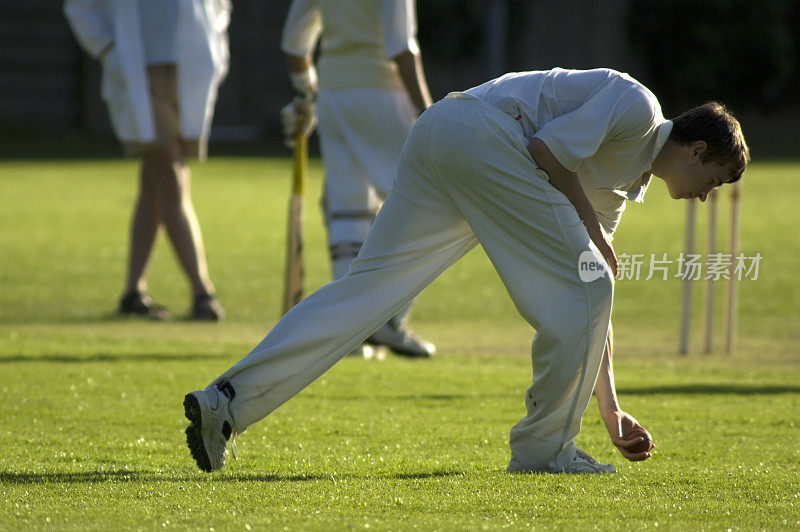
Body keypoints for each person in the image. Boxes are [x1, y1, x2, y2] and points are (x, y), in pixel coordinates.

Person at [183, 68, 749, 474]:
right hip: (483, 135)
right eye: (715, 181)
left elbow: (589, 303)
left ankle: (225, 403)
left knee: (366, 293)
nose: (705, 198)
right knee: (589, 281)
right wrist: (594, 234)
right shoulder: (637, 106)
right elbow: (547, 151)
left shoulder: (624, 187)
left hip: (442, 133)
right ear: (697, 150)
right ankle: (543, 452)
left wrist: (609, 406)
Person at [280, 0, 435, 357]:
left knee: (349, 209)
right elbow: (400, 47)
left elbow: (294, 43)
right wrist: (428, 111)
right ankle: (390, 319)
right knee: (426, 202)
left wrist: (306, 94)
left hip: (332, 96)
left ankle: (349, 331)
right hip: (381, 92)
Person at [64, 0, 229, 321]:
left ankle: (132, 292)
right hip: (137, 69)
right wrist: (108, 48)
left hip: (189, 69)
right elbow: (79, 7)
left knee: (155, 182)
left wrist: (216, 47)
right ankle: (202, 292)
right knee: (170, 173)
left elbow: (221, 7)